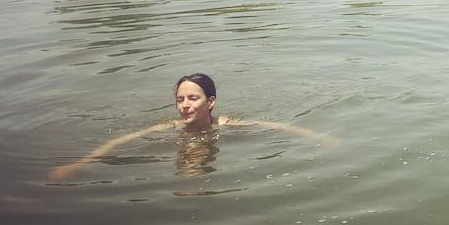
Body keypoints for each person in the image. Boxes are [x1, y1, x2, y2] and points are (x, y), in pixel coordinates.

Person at [49, 73, 324, 180]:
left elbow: (275, 126)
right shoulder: (170, 128)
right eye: (180, 100)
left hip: (208, 148)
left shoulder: (225, 124)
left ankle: (193, 183)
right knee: (189, 166)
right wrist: (78, 164)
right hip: (191, 149)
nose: (185, 106)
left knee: (194, 166)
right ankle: (190, 182)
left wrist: (317, 136)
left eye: (193, 98)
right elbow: (120, 142)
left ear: (211, 101)